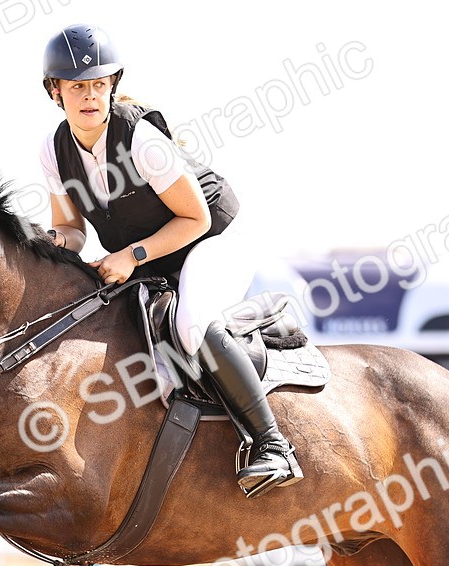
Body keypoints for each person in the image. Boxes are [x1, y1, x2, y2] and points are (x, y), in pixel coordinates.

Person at [39, 23, 303, 495]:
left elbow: (194, 219)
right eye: (77, 86)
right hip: (156, 254)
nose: (90, 95)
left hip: (214, 237)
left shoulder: (140, 138)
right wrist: (46, 241)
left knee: (189, 325)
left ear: (112, 86)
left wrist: (131, 255)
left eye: (99, 84)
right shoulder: (53, 150)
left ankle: (273, 445)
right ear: (54, 92)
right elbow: (74, 231)